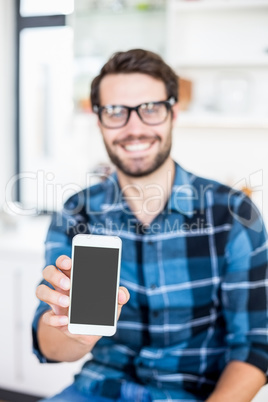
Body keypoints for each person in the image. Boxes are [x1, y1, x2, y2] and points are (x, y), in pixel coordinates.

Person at [33, 49, 268, 402]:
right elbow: (49, 348)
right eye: (115, 112)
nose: (135, 127)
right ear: (98, 121)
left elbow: (254, 345)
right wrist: (71, 332)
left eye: (150, 108)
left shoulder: (233, 213)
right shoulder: (76, 212)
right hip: (97, 389)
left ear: (173, 113)